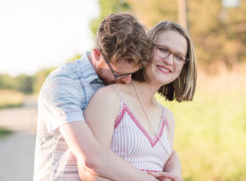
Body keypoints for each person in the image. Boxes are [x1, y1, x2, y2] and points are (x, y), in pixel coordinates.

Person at [33, 13, 181, 181]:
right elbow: (91, 157)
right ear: (97, 55)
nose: (127, 80)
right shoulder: (64, 84)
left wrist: (173, 170)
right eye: (119, 74)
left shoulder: (117, 86)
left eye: (132, 73)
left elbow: (151, 145)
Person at [78, 21, 197, 181]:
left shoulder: (167, 118)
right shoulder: (111, 98)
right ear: (146, 49)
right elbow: (89, 173)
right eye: (162, 49)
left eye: (179, 57)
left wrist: (175, 173)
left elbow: (167, 158)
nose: (170, 60)